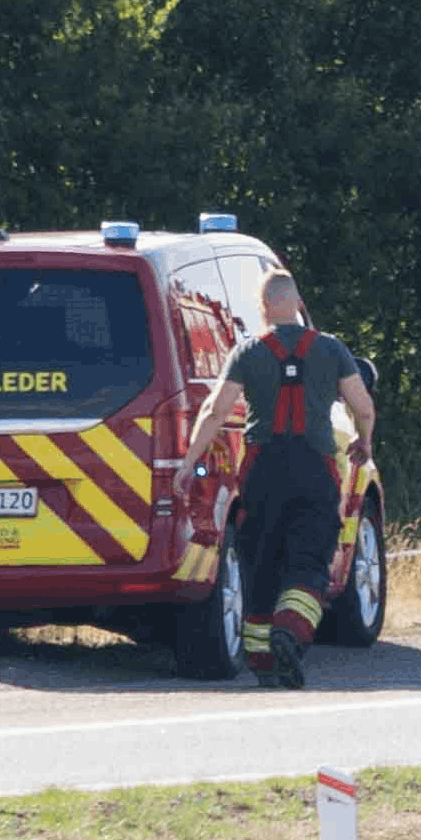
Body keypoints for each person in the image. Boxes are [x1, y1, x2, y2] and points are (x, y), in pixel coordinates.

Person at [174, 270, 377, 687]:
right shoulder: (332, 349)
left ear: (263, 309)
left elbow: (215, 411)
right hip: (315, 470)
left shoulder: (247, 352)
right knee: (310, 559)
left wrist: (187, 462)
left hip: (262, 472)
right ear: (299, 303)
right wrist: (364, 440)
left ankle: (265, 663)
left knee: (261, 561)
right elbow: (364, 405)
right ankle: (290, 631)